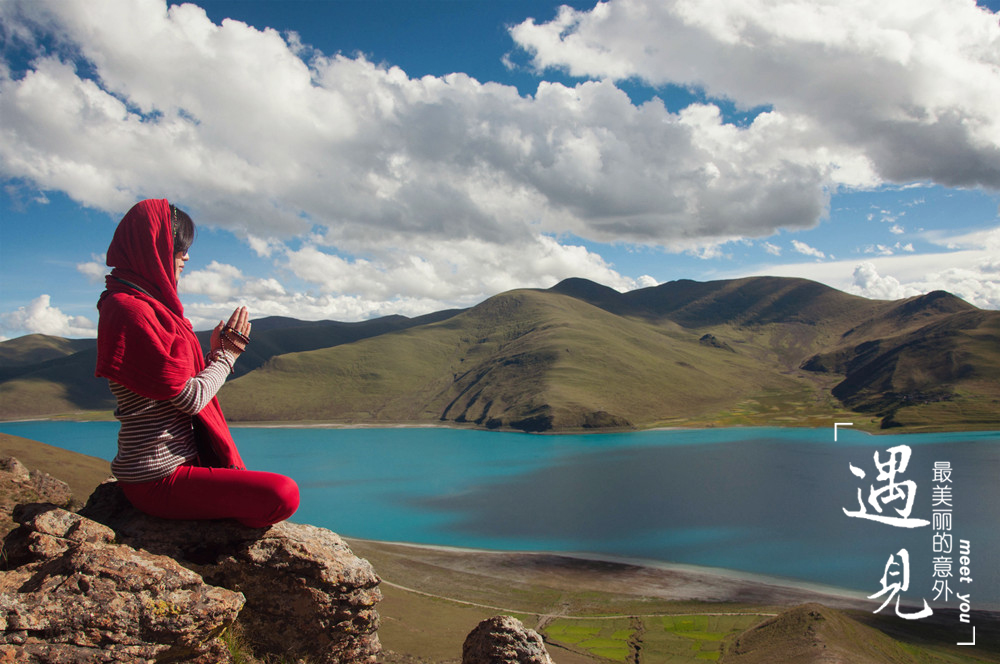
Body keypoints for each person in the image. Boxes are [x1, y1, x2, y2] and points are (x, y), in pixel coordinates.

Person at [95, 198, 299, 528]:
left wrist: (212, 356)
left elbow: (166, 384)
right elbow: (188, 398)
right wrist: (227, 355)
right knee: (283, 493)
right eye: (178, 247)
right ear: (153, 247)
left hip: (173, 466)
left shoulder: (143, 305)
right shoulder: (131, 311)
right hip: (157, 477)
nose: (186, 256)